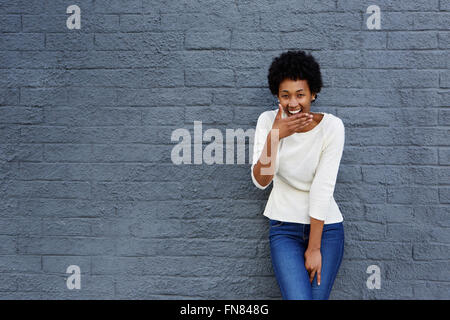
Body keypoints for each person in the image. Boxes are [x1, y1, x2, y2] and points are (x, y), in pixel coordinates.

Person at [251, 50, 345, 300]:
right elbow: (261, 181)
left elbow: (323, 187)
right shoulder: (267, 121)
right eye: (286, 95)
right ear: (277, 96)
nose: (293, 103)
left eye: (300, 95)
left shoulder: (332, 127)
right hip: (284, 229)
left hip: (326, 230)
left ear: (313, 93)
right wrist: (275, 135)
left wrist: (315, 248)